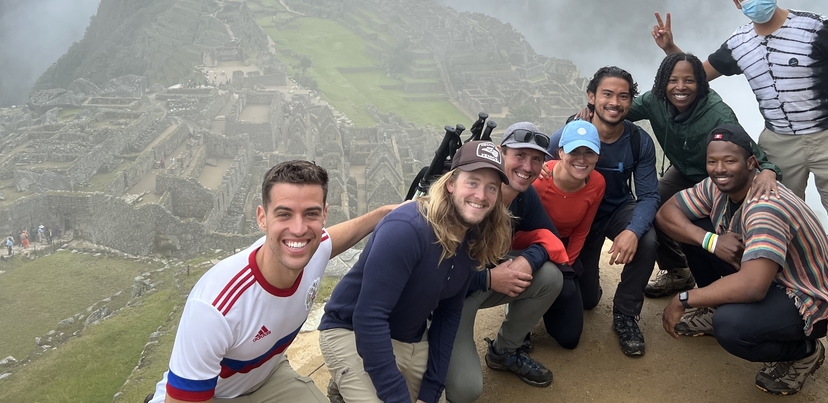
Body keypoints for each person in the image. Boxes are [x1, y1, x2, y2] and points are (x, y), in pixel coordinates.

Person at [652, 0, 828, 373]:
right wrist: (671, 53)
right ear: (736, 1)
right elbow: (696, 80)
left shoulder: (816, 28)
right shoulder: (739, 43)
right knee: (758, 227)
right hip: (778, 140)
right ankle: (772, 311)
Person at [149, 160, 395, 403]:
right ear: (262, 218)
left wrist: (385, 214)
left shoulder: (315, 248)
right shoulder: (215, 307)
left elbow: (344, 233)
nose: (299, 229)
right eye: (284, 214)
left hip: (267, 378)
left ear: (324, 216)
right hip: (212, 395)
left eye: (311, 213)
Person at [319, 141, 513, 403]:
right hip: (351, 330)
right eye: (473, 182)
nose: (481, 195)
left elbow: (449, 313)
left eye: (491, 187)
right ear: (451, 184)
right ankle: (347, 381)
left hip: (409, 337)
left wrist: (431, 390)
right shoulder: (407, 230)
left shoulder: (474, 238)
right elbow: (369, 317)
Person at [657, 124, 828, 395]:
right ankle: (712, 307)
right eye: (712, 161)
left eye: (730, 161)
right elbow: (667, 213)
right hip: (766, 274)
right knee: (697, 228)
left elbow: (753, 287)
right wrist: (712, 241)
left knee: (731, 325)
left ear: (751, 163)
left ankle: (804, 352)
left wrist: (684, 299)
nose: (719, 169)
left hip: (805, 297)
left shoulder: (765, 208)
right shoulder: (717, 187)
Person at [625, 53, 782, 298]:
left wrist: (769, 171)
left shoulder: (717, 113)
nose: (680, 87)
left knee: (704, 226)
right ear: (662, 82)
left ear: (700, 83)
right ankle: (678, 271)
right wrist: (587, 114)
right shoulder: (653, 101)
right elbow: (619, 110)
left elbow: (750, 152)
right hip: (682, 171)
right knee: (650, 208)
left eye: (689, 80)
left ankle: (731, 286)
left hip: (715, 177)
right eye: (673, 80)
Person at [445, 122, 563, 402]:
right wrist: (488, 279)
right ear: (500, 153)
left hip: (478, 284)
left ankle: (505, 351)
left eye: (536, 159)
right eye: (519, 156)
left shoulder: (523, 196)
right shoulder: (468, 200)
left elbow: (551, 239)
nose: (527, 166)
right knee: (465, 390)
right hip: (446, 298)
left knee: (548, 276)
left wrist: (527, 262)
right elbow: (435, 272)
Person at [546, 66, 659, 356]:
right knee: (587, 301)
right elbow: (542, 167)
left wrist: (632, 231)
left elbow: (648, 196)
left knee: (647, 239)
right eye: (607, 94)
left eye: (623, 96)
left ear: (631, 102)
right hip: (577, 217)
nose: (615, 102)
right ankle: (584, 287)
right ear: (591, 97)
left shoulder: (638, 140)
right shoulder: (568, 134)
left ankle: (625, 314)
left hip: (616, 210)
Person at [532, 120, 605, 349]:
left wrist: (565, 266)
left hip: (563, 247)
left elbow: (581, 231)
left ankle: (551, 296)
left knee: (570, 337)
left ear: (597, 157)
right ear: (560, 152)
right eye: (574, 151)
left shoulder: (597, 183)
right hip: (533, 246)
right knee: (560, 287)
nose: (581, 159)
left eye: (589, 152)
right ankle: (523, 301)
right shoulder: (539, 180)